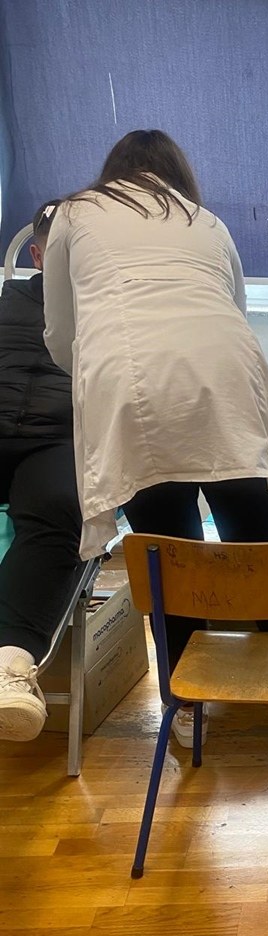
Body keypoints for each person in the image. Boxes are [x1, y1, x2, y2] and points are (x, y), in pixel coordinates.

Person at [42, 130, 268, 756]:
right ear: (177, 173)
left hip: (131, 383)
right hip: (227, 375)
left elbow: (61, 333)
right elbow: (236, 310)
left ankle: (185, 702)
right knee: (262, 547)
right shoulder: (208, 222)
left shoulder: (73, 213)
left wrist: (101, 371)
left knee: (166, 554)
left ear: (114, 170)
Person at [0, 202, 82, 741]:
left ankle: (10, 665)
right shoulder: (5, 302)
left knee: (60, 507)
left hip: (56, 442)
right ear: (36, 254)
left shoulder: (108, 309)